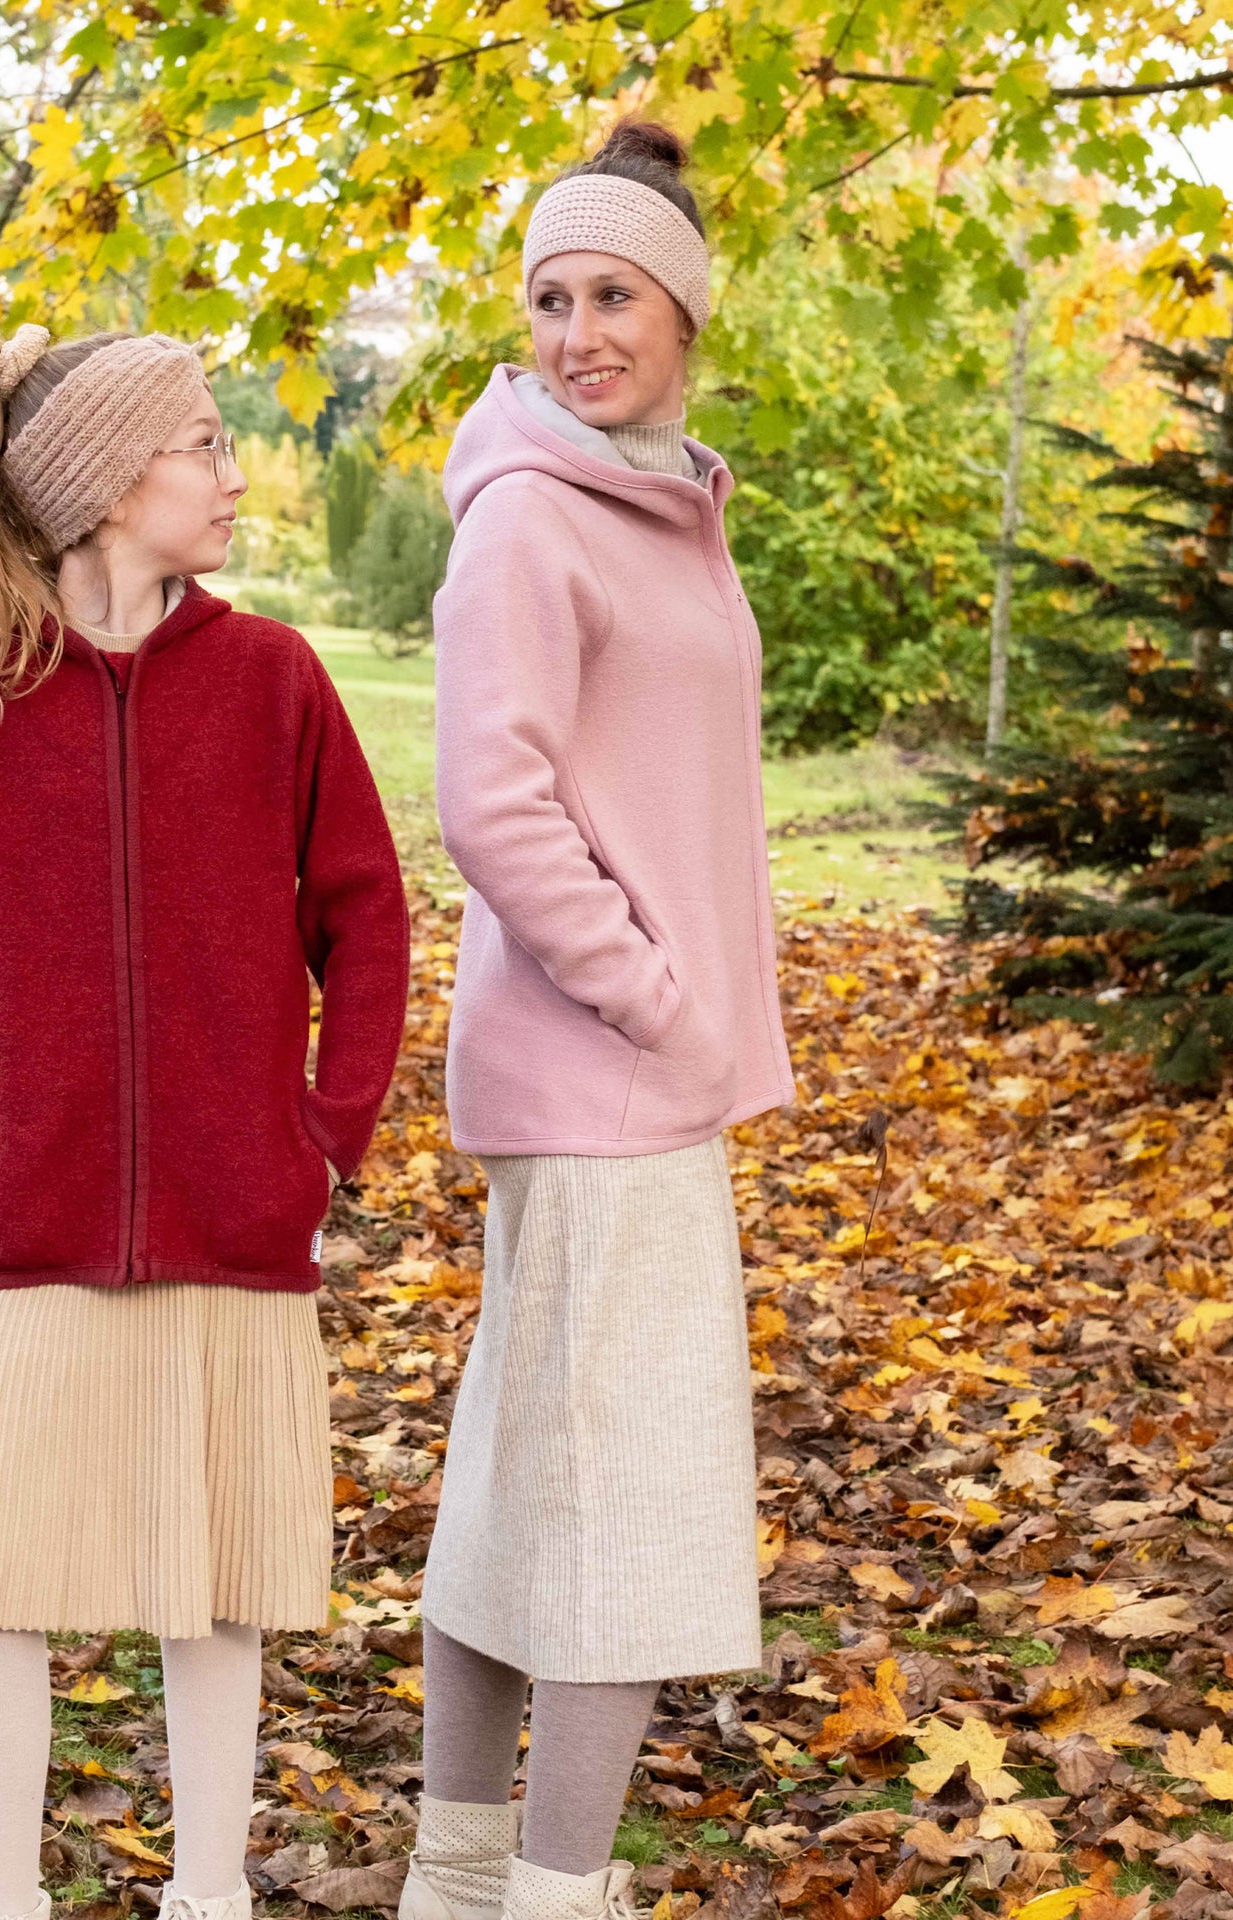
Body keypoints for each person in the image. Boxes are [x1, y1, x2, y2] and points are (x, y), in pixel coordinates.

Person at [0, 325, 410, 1920]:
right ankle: (3, 1899)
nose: (235, 474)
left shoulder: (275, 683)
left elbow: (365, 917)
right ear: (109, 488)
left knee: (216, 1585)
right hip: (36, 1229)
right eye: (205, 445)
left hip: (239, 1219)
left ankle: (210, 1893)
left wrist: (324, 1139)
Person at [403, 122, 797, 1920]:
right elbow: (494, 804)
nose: (576, 331)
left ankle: (464, 1877)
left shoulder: (663, 499)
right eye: (550, 297)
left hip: (633, 1083)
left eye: (613, 295)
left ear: (686, 315)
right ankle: (547, 1898)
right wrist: (654, 995)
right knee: (623, 1519)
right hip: (600, 1075)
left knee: (523, 1490)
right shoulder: (532, 518)